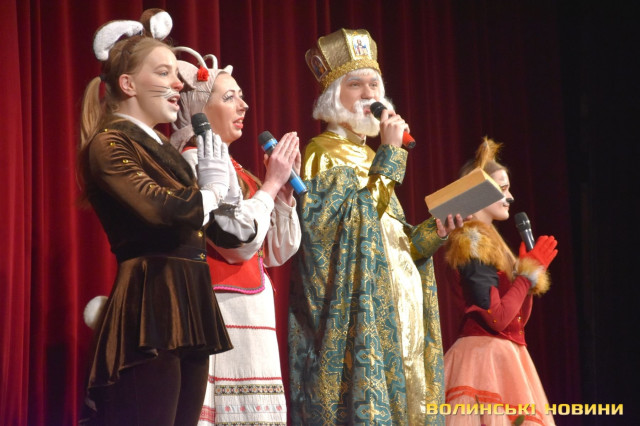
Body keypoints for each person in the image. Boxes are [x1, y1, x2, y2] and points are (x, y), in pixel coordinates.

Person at [288, 28, 462, 425]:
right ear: (333, 96)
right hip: (357, 319)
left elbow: (391, 242)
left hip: (401, 314)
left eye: (374, 84)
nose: (369, 94)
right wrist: (390, 156)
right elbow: (342, 235)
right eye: (355, 84)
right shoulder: (321, 153)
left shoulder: (372, 157)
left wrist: (435, 232)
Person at [78, 10, 240, 425]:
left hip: (191, 300)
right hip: (150, 303)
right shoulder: (110, 143)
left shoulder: (168, 150)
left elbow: (215, 231)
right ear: (128, 84)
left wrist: (236, 197)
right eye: (164, 72)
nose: (179, 84)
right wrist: (208, 193)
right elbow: (160, 209)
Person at [169, 46, 301, 425]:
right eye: (230, 97)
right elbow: (237, 242)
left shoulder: (236, 168)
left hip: (249, 309)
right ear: (199, 108)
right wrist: (270, 184)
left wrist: (282, 194)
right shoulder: (195, 160)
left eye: (241, 96)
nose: (244, 105)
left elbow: (275, 252)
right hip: (221, 306)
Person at [443, 138, 558, 425]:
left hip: (505, 356)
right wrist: (526, 276)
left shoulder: (494, 243)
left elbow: (517, 322)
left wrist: (526, 279)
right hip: (482, 360)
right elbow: (498, 319)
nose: (511, 197)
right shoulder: (472, 243)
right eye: (503, 189)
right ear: (479, 193)